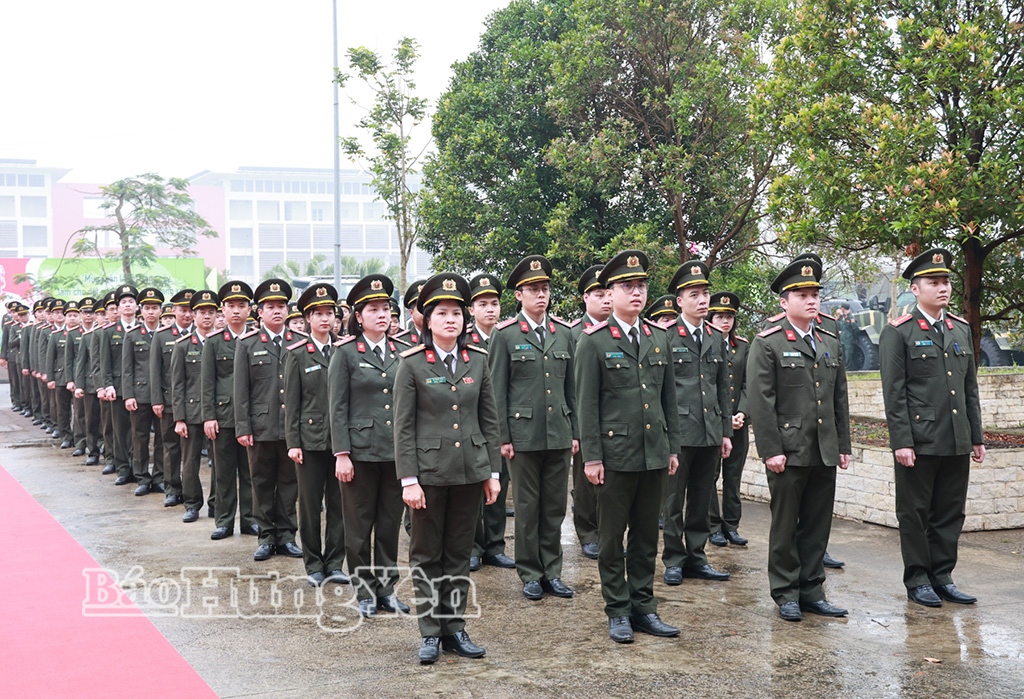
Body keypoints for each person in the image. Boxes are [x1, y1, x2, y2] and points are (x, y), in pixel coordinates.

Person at [393, 272, 501, 664]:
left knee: (458, 553)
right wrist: (409, 480)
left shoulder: (479, 360)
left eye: (456, 312)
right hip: (428, 474)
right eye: (442, 312)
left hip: (470, 472)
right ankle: (429, 631)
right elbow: (403, 428)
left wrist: (492, 473)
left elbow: (489, 421)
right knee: (426, 554)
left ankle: (454, 627)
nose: (450, 319)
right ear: (427, 318)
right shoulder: (412, 364)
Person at [575, 250, 682, 644]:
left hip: (653, 454)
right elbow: (586, 405)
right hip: (614, 457)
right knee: (610, 539)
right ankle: (617, 610)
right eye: (626, 286)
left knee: (644, 538)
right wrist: (592, 457)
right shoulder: (594, 341)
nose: (635, 292)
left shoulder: (658, 337)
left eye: (640, 285)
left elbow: (668, 398)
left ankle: (644, 608)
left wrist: (671, 449)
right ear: (611, 292)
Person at [878, 248, 985, 608]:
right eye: (933, 282)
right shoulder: (900, 332)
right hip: (920, 441)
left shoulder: (960, 328)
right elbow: (894, 393)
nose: (942, 288)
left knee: (950, 512)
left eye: (946, 282)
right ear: (915, 288)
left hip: (955, 437)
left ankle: (943, 576)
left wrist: (976, 436)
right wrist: (902, 441)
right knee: (915, 512)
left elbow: (969, 388)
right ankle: (918, 579)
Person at [747, 258, 851, 622]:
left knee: (817, 524)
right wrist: (771, 450)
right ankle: (786, 592)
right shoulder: (768, 343)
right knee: (786, 524)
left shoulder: (829, 341)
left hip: (823, 448)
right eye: (802, 294)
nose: (811, 301)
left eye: (814, 294)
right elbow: (762, 403)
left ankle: (812, 590)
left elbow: (840, 396)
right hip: (789, 451)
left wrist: (843, 445)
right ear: (784, 301)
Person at [489, 256, 579, 600]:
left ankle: (552, 571)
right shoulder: (506, 335)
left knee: (554, 507)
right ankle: (529, 572)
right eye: (533, 290)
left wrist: (574, 432)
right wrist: (504, 437)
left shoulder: (564, 333)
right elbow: (497, 390)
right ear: (519, 295)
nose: (540, 295)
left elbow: (571, 387)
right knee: (527, 507)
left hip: (557, 432)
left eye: (544, 289)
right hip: (522, 436)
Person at [330, 274, 410, 615]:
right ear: (358, 316)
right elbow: (337, 407)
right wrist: (342, 454)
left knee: (390, 524)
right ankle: (364, 591)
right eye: (373, 309)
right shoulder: (346, 353)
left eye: (386, 309)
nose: (382, 315)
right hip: (359, 454)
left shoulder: (402, 351)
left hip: (393, 453)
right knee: (359, 525)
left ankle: (387, 588)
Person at [662, 262, 733, 584]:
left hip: (710, 430)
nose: (703, 300)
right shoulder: (664, 335)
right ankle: (674, 559)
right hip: (679, 432)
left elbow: (722, 387)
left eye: (705, 293)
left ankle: (697, 556)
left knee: (703, 498)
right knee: (674, 499)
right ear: (680, 301)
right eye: (695, 295)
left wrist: (726, 432)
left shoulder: (716, 337)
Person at [283, 282, 348, 587]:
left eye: (330, 313)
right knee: (309, 505)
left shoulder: (345, 350)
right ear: (307, 318)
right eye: (318, 314)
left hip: (341, 443)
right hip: (308, 442)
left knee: (339, 504)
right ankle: (313, 564)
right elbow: (291, 402)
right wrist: (293, 442)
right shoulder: (297, 354)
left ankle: (335, 562)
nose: (325, 319)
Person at [234, 279, 303, 561]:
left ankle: (286, 535)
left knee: (289, 484)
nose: (277, 311)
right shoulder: (248, 344)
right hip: (260, 426)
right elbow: (241, 390)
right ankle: (265, 536)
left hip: (291, 427)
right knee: (261, 482)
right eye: (270, 307)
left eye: (281, 306)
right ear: (259, 312)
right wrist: (243, 427)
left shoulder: (299, 343)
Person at [466, 273, 515, 572]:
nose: (490, 310)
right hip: (471, 425)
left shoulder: (507, 336)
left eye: (494, 303)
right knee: (473, 487)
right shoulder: (464, 339)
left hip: (499, 424)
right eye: (483, 304)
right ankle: (472, 546)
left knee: (499, 485)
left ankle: (495, 546)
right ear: (471, 309)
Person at [203, 281, 258, 540]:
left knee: (250, 472)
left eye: (241, 306)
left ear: (250, 309)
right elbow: (207, 381)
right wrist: (208, 416)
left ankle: (249, 520)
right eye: (230, 306)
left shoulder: (256, 338)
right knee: (224, 472)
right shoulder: (214, 342)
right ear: (222, 310)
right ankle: (224, 521)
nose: (236, 311)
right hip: (223, 416)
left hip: (252, 417)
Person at [568, 265, 611, 560]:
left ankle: (607, 531)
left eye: (609, 293)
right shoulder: (573, 333)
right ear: (586, 297)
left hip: (615, 419)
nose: (606, 299)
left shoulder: (619, 332)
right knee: (585, 481)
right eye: (599, 294)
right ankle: (587, 531)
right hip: (583, 415)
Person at [706, 291, 750, 548]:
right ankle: (713, 526)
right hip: (713, 422)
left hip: (739, 423)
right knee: (710, 477)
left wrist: (742, 413)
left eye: (730, 316)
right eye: (720, 316)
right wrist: (723, 418)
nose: (725, 321)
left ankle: (731, 525)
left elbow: (748, 384)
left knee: (733, 477)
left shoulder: (742, 345)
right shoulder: (706, 344)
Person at [171, 290, 218, 523]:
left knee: (219, 461)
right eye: (201, 312)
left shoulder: (223, 343)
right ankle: (191, 504)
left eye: (211, 312)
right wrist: (179, 418)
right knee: (190, 462)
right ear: (194, 315)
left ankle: (216, 504)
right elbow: (177, 384)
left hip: (219, 412)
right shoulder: (182, 346)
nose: (206, 317)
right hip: (191, 412)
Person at [151, 289, 195, 508]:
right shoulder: (162, 335)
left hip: (196, 401)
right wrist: (157, 399)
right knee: (171, 446)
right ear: (174, 310)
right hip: (169, 401)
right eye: (182, 310)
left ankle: (190, 493)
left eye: (190, 311)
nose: (187, 315)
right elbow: (155, 371)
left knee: (192, 452)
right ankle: (172, 488)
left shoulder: (204, 334)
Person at [122, 287, 166, 496]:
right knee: (139, 438)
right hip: (140, 396)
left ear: (160, 310)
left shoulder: (166, 335)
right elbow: (127, 369)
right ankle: (142, 477)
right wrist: (129, 395)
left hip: (163, 396)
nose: (151, 312)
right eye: (147, 308)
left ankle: (159, 477)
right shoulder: (132, 336)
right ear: (141, 310)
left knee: (162, 438)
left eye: (155, 308)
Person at [98, 285, 139, 486]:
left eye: (131, 301)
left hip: (140, 388)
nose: (127, 305)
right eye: (123, 302)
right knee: (120, 430)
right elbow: (104, 362)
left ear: (137, 306)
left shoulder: (144, 330)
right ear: (118, 307)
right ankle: (123, 468)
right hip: (118, 389)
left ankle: (139, 468)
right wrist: (107, 385)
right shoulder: (109, 332)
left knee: (138, 432)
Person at [835, 303, 859, 369]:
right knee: (843, 355)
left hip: (849, 340)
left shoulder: (851, 317)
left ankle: (848, 369)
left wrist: (855, 338)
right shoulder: (843, 318)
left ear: (843, 308)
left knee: (848, 355)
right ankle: (844, 368)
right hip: (843, 340)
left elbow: (855, 328)